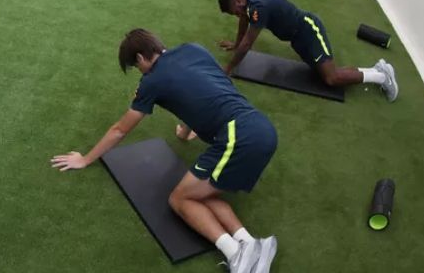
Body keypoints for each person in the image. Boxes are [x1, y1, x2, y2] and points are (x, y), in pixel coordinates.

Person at [52, 29, 278, 273]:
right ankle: (251, 243)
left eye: (136, 66)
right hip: (260, 127)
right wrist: (184, 132)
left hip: (239, 138)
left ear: (140, 58)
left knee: (179, 199)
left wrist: (85, 159)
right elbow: (209, 91)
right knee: (202, 192)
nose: (139, 71)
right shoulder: (193, 49)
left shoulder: (152, 81)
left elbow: (119, 130)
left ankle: (235, 255)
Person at [217, 0, 399, 100]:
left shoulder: (259, 7)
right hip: (298, 39)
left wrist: (227, 69)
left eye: (235, 12)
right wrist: (236, 43)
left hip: (309, 30)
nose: (238, 16)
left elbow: (248, 43)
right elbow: (244, 20)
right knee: (324, 74)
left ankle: (382, 76)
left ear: (238, 3)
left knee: (331, 78)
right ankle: (376, 69)